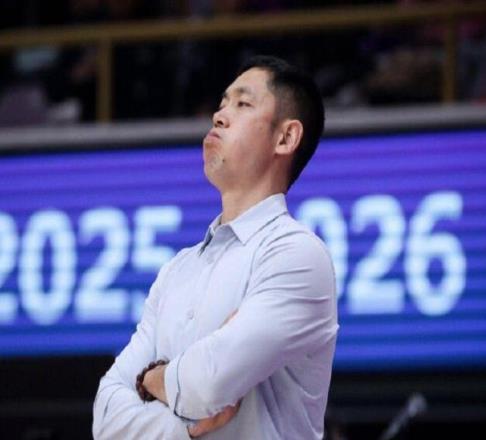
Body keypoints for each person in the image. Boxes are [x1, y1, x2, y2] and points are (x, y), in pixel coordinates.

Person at [92, 55, 338, 439]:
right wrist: (185, 428)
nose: (219, 116)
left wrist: (151, 378)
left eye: (243, 104)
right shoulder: (177, 269)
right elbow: (106, 420)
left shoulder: (297, 255)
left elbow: (208, 384)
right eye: (222, 104)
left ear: (286, 138)